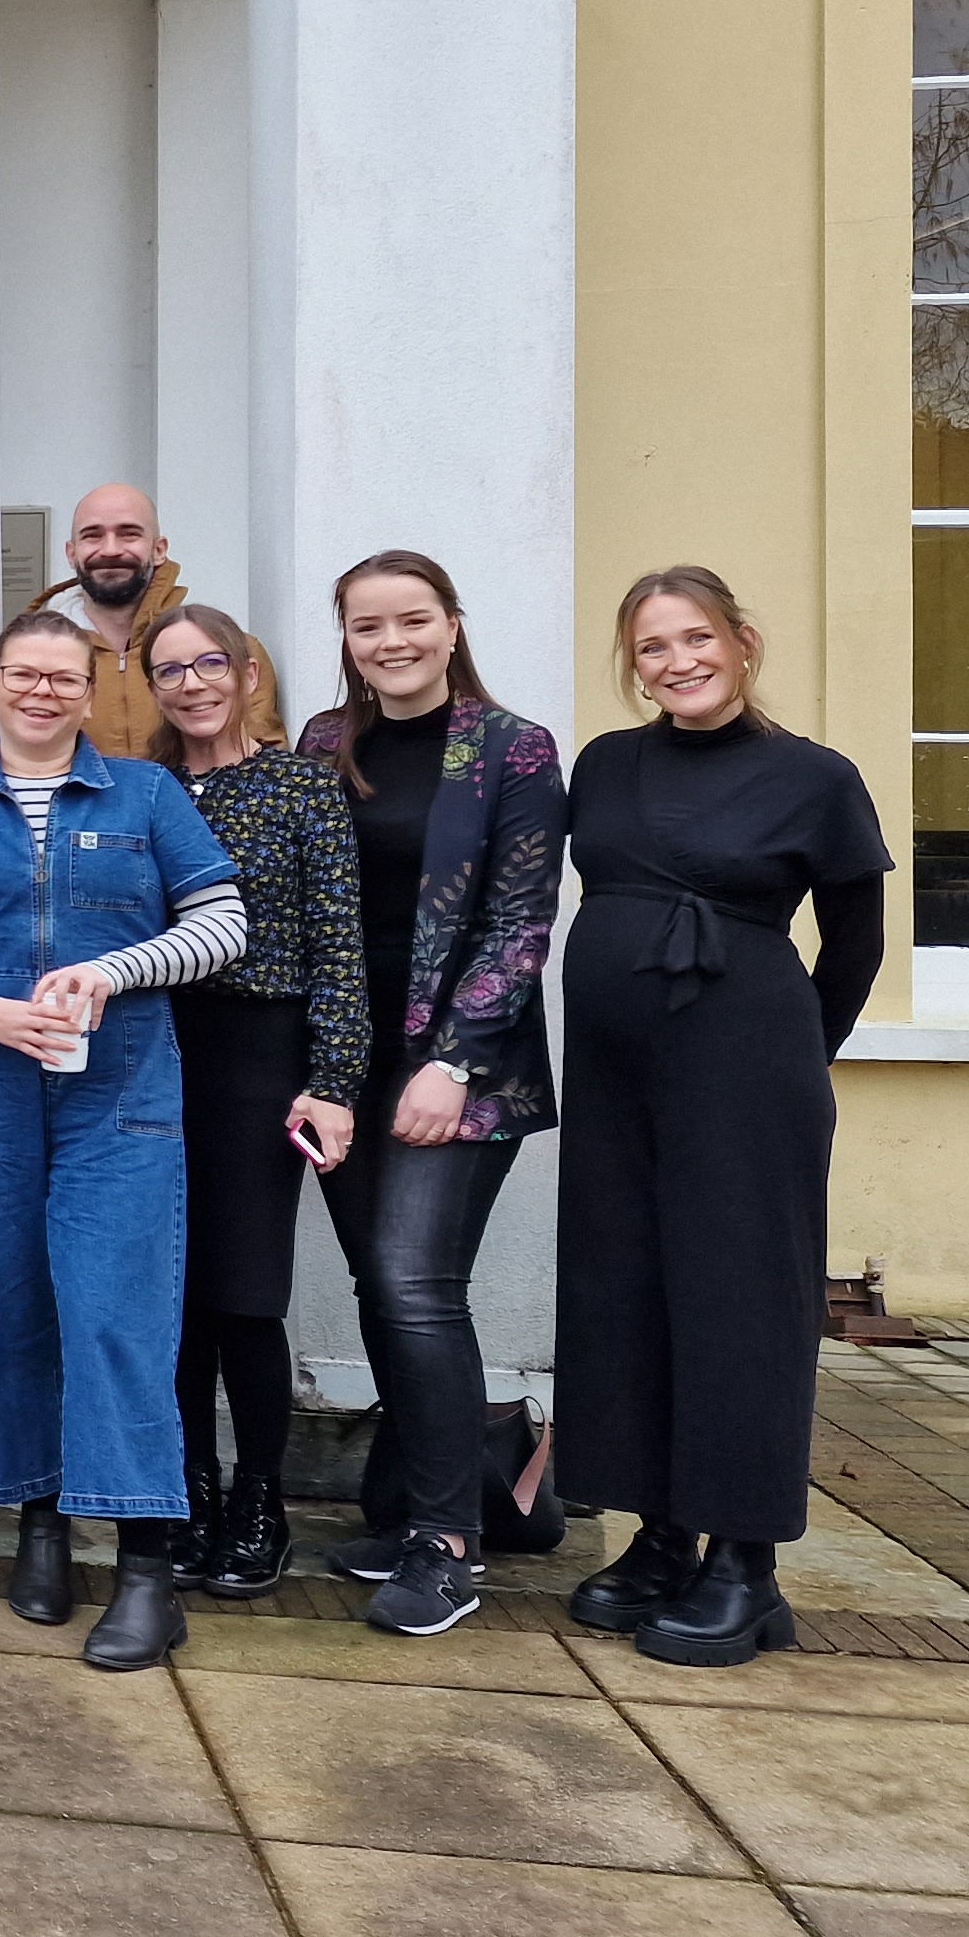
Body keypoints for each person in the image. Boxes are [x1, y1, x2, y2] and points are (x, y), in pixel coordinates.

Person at [0, 611, 248, 1671]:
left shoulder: (146, 796)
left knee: (114, 1317)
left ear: (90, 692)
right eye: (23, 675)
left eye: (64, 678)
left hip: (116, 1095)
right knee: (4, 1312)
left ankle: (142, 1564)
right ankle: (37, 1523)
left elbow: (222, 924)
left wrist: (113, 969)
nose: (42, 693)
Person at [556, 566, 888, 1668]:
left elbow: (853, 948)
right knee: (626, 1288)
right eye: (651, 647)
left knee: (740, 1299)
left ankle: (744, 1565)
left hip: (745, 1068)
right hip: (614, 1075)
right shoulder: (604, 765)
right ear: (632, 664)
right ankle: (659, 1539)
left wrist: (787, 1050)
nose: (677, 662)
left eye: (695, 639)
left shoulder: (815, 778)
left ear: (741, 643)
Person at [295, 550, 567, 1639]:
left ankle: (451, 1545)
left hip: (463, 1072)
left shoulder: (512, 749)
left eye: (411, 620)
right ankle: (414, 1510)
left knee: (414, 1284)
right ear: (347, 639)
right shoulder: (326, 743)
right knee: (378, 1289)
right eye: (367, 626)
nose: (390, 642)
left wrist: (448, 1063)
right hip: (342, 1069)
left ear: (452, 626)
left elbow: (520, 923)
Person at [143, 600, 366, 1602]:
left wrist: (332, 1079)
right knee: (172, 1295)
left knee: (243, 1293)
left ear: (244, 673)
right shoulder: (137, 792)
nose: (189, 683)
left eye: (206, 664)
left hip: (257, 1055)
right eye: (168, 670)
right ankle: (186, 1492)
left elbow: (339, 949)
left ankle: (260, 1498)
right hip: (152, 1048)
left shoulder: (302, 787)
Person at [34, 485, 287, 763]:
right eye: (92, 536)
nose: (110, 549)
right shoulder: (36, 659)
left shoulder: (230, 651)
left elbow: (266, 764)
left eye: (129, 534)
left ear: (159, 549)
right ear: (71, 553)